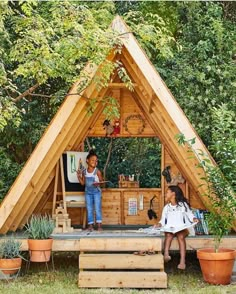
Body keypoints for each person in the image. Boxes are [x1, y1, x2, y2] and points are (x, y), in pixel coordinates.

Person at [155, 185, 198, 270]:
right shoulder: (166, 208)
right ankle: (166, 255)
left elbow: (189, 214)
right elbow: (163, 220)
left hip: (182, 228)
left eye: (167, 192)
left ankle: (182, 262)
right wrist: (159, 224)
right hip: (171, 228)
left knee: (180, 236)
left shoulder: (183, 205)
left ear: (173, 194)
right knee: (168, 235)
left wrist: (194, 218)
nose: (165, 194)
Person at [77, 149, 103, 231]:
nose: (94, 162)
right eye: (92, 160)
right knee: (89, 208)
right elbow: (83, 183)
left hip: (96, 192)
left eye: (96, 161)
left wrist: (98, 183)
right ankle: (90, 226)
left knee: (97, 208)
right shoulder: (84, 172)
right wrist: (78, 176)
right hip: (88, 193)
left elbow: (102, 182)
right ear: (87, 161)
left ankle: (99, 226)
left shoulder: (97, 171)